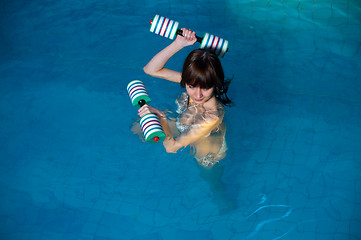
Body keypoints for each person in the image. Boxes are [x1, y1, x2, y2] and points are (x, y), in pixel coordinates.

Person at [139, 28, 231, 168]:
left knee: (213, 183)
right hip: (185, 125)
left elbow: (171, 148)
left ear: (215, 84)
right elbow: (150, 70)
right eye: (191, 87)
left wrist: (161, 117)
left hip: (207, 154)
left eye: (206, 88)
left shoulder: (212, 116)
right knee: (137, 128)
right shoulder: (194, 80)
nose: (198, 95)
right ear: (186, 80)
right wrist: (178, 44)